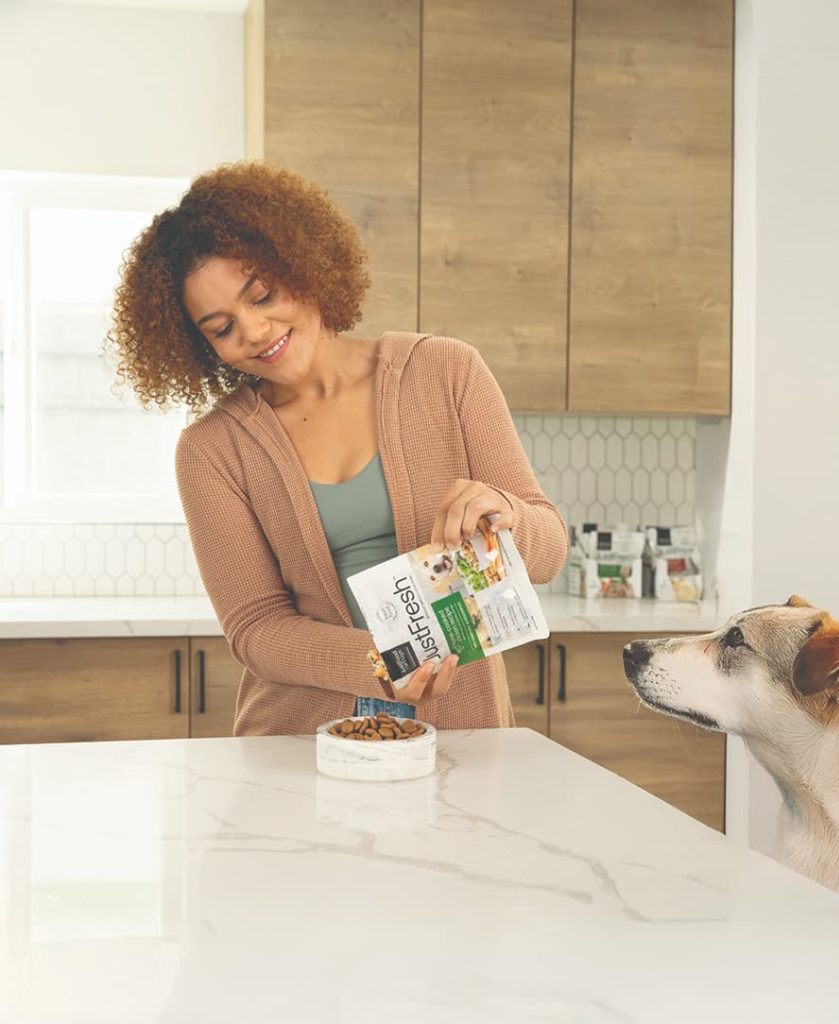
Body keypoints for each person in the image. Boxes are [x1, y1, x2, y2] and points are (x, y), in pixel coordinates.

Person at [107, 162, 568, 735]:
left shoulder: (447, 372)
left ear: (303, 265)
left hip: (462, 735)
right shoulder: (212, 451)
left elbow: (548, 552)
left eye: (264, 295)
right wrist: (384, 663)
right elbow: (256, 628)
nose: (253, 331)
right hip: (297, 745)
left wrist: (506, 515)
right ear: (199, 347)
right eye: (221, 328)